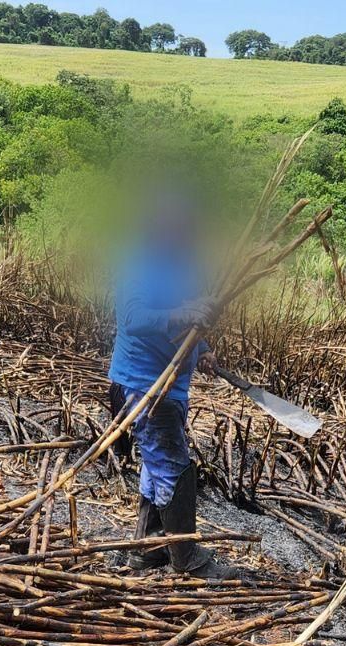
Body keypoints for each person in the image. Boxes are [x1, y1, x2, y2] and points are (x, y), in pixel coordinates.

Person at [108, 202, 216, 573]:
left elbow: (180, 322)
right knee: (173, 466)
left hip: (169, 386)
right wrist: (186, 314)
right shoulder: (139, 265)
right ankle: (187, 559)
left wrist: (201, 350)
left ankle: (149, 547)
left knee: (156, 467)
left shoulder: (179, 266)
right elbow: (135, 318)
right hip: (145, 386)